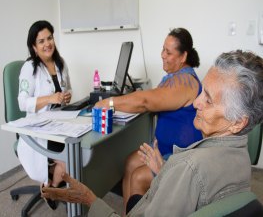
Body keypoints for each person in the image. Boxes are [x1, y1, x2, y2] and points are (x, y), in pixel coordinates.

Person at [41, 50, 263, 216]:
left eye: (208, 99)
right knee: (132, 165)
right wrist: (166, 172)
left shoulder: (188, 167)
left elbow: (146, 101)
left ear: (237, 122)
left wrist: (90, 199)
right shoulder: (241, 157)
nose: (196, 102)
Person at [96, 28, 203, 211]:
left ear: (183, 56)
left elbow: (146, 101)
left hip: (180, 157)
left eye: (168, 52)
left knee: (139, 176)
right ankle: (127, 214)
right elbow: (153, 96)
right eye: (163, 49)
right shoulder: (174, 77)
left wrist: (109, 102)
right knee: (130, 162)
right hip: (164, 149)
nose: (162, 55)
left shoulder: (185, 82)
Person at [17, 20, 72, 209]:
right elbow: (22, 102)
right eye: (41, 41)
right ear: (34, 46)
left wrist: (66, 97)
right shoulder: (29, 68)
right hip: (39, 130)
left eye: (49, 38)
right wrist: (50, 99)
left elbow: (68, 90)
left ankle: (51, 186)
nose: (47, 44)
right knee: (70, 158)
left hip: (59, 124)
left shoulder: (61, 63)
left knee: (79, 149)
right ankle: (52, 188)